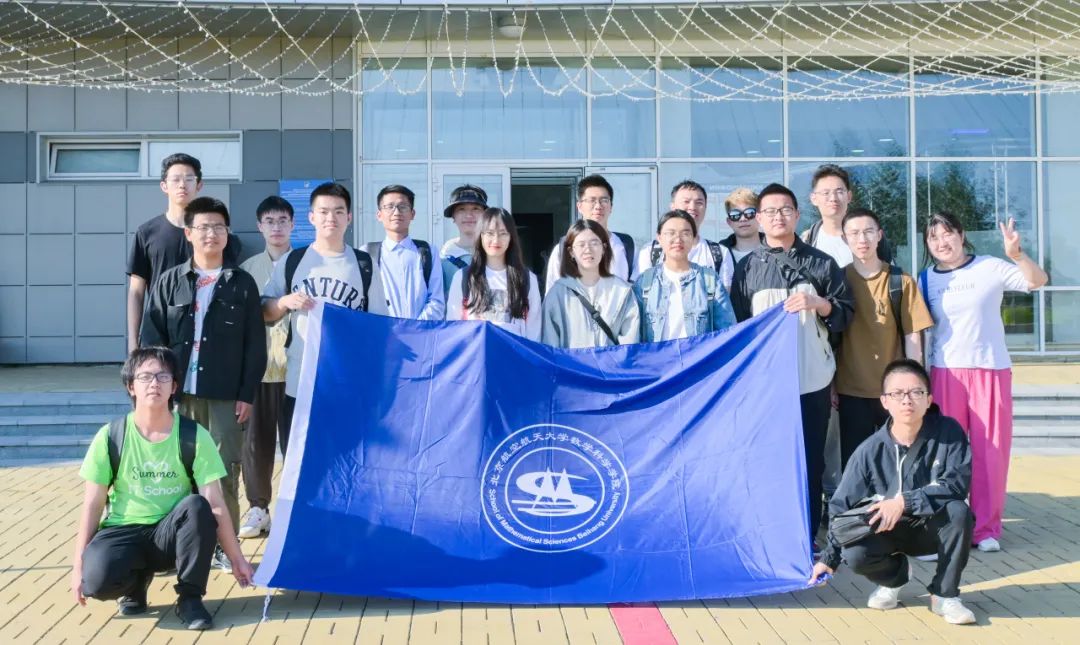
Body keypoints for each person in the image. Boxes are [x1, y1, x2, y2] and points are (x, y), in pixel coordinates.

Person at [71, 347, 254, 630]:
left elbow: (216, 503)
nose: (154, 383)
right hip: (124, 530)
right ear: (131, 386)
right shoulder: (110, 436)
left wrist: (236, 558)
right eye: (145, 377)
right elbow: (92, 505)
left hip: (171, 535)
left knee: (198, 506)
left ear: (174, 386)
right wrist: (78, 566)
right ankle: (135, 585)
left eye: (162, 376)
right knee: (95, 582)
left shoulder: (194, 435)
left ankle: (190, 598)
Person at [139, 197, 266, 570]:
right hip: (178, 397)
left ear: (227, 234)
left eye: (219, 227)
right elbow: (152, 340)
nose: (211, 233)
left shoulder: (242, 284)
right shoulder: (169, 282)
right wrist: (156, 393)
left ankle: (226, 547)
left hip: (225, 396)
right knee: (177, 472)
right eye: (204, 227)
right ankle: (180, 547)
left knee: (223, 470)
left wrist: (247, 394)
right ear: (188, 233)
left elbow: (255, 346)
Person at [730, 183, 853, 546]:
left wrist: (820, 304)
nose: (778, 217)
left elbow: (845, 316)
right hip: (765, 385)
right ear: (759, 219)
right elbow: (739, 326)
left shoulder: (822, 263)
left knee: (811, 459)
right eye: (769, 211)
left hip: (811, 379)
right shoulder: (747, 268)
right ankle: (769, 533)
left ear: (798, 215)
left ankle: (806, 535)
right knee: (768, 458)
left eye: (785, 210)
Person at [810, 359, 977, 626]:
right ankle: (895, 578)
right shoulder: (870, 450)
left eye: (916, 392)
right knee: (855, 554)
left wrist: (904, 502)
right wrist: (829, 559)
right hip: (888, 531)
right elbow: (841, 506)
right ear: (884, 401)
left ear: (928, 399)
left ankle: (944, 595)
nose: (907, 400)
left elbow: (957, 484)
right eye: (897, 393)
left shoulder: (949, 432)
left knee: (959, 511)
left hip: (932, 528)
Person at [919, 212, 1048, 553]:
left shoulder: (990, 267)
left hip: (990, 371)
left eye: (947, 233)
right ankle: (944, 525)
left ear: (961, 235)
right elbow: (924, 333)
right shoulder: (925, 279)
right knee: (944, 454)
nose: (941, 242)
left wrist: (1017, 255)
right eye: (933, 237)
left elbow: (1037, 281)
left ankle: (985, 528)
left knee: (990, 451)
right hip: (945, 373)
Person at [263, 182, 390, 445]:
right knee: (297, 460)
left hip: (347, 382)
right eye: (323, 211)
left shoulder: (364, 264)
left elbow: (379, 326)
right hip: (300, 382)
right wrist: (285, 301)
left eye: (338, 211)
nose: (330, 217)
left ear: (349, 217)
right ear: (311, 217)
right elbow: (264, 310)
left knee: (346, 459)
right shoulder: (293, 261)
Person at [836, 208, 934, 471]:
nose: (862, 239)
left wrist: (915, 386)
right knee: (855, 464)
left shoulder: (900, 280)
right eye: (854, 233)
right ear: (844, 239)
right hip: (850, 390)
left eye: (869, 231)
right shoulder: (838, 280)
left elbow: (913, 337)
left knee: (897, 462)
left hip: (894, 391)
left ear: (879, 235)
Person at [127, 153, 241, 353]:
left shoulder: (218, 237)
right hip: (161, 330)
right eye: (176, 179)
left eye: (189, 179)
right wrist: (133, 342)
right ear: (164, 186)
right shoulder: (147, 233)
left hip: (208, 331)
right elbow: (136, 291)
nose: (182, 185)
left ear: (199, 185)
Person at [237, 196, 293, 539]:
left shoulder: (305, 263)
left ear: (293, 224)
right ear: (260, 226)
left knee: (296, 444)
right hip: (258, 369)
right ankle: (258, 508)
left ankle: (295, 509)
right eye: (270, 221)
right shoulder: (246, 270)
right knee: (255, 444)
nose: (276, 227)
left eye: (283, 220)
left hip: (296, 369)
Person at [633, 209, 736, 341]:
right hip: (658, 354)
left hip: (698, 353)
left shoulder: (709, 280)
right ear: (659, 238)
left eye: (685, 233)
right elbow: (633, 335)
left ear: (693, 238)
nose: (678, 239)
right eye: (671, 233)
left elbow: (727, 330)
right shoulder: (645, 282)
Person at [542, 219, 641, 348]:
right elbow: (549, 346)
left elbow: (630, 344)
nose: (588, 249)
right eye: (581, 245)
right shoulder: (558, 294)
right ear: (571, 252)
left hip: (612, 362)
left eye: (594, 243)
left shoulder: (622, 291)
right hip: (570, 361)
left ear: (604, 248)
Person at [447, 207, 542, 341]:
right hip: (476, 352)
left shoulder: (527, 279)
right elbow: (453, 328)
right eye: (490, 233)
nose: (496, 240)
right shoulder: (463, 277)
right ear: (481, 236)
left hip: (514, 353)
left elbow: (534, 332)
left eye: (503, 233)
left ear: (511, 237)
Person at [636, 180, 734, 290]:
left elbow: (724, 294)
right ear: (672, 206)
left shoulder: (719, 253)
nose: (692, 207)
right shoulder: (651, 251)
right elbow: (642, 293)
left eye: (699, 202)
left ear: (706, 207)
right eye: (686, 201)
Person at [546, 175, 638, 291]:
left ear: (611, 206)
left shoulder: (626, 245)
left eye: (604, 200)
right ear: (579, 207)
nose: (598, 206)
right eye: (591, 200)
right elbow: (552, 294)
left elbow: (636, 292)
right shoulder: (564, 248)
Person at [366, 184, 445, 320]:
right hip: (382, 331)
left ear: (412, 214)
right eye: (389, 207)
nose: (396, 212)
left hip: (420, 331)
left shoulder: (428, 252)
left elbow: (436, 302)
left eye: (403, 207)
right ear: (379, 215)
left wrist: (414, 328)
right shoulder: (367, 253)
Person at [803, 164, 855, 268]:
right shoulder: (806, 241)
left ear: (849, 196)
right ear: (814, 199)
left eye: (839, 192)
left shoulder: (868, 237)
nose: (833, 198)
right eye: (826, 193)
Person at [440, 185, 488, 298]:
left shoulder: (497, 253)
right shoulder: (442, 259)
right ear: (453, 216)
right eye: (461, 209)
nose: (469, 215)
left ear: (485, 214)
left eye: (475, 209)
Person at [718, 187, 763, 263]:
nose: (743, 219)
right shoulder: (717, 256)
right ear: (729, 222)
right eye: (735, 215)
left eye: (749, 212)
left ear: (760, 217)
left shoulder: (776, 252)